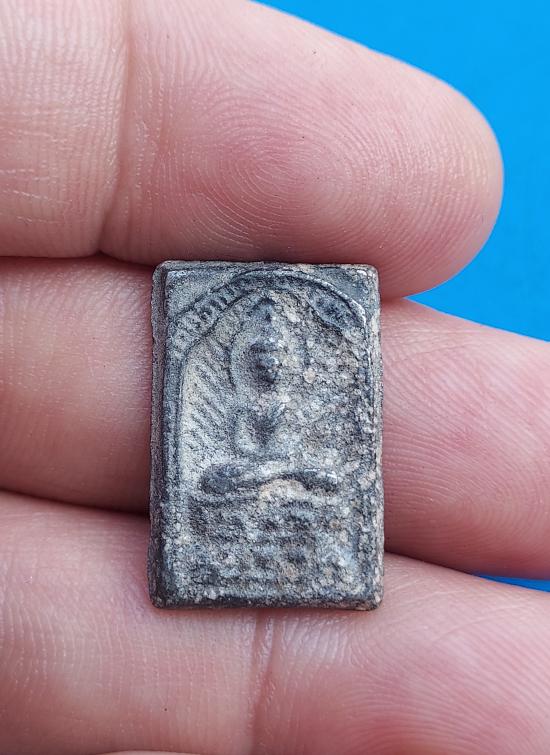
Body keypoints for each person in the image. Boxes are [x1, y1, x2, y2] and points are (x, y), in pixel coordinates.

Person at [1, 1, 548, 754]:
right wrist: (262, 473)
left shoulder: (309, 402)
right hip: (240, 501)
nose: (268, 362)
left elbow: (327, 471)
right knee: (220, 483)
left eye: (280, 356)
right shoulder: (235, 401)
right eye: (258, 355)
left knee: (314, 487)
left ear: (296, 360)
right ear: (243, 358)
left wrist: (287, 473)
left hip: (294, 505)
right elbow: (218, 470)